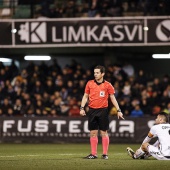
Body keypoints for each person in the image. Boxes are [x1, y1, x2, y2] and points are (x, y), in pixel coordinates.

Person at [80, 65, 124, 159]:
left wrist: (118, 110)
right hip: (92, 110)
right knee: (93, 133)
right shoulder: (89, 83)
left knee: (104, 133)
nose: (95, 74)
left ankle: (105, 154)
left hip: (103, 111)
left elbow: (113, 98)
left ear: (102, 74)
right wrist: (82, 107)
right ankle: (93, 154)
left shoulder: (108, 85)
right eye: (94, 72)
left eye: (97, 73)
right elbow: (85, 96)